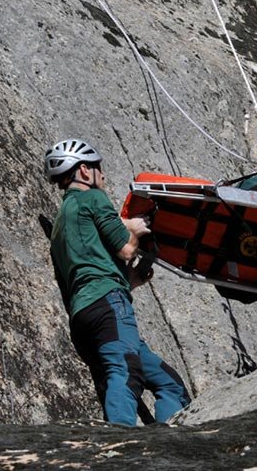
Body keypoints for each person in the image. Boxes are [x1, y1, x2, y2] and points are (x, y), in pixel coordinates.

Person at [44, 138, 191, 425]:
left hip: (84, 317)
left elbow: (85, 271)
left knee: (167, 381)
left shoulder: (61, 223)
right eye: (99, 169)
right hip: (109, 308)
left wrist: (130, 280)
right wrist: (134, 230)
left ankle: (164, 441)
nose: (104, 176)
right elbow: (125, 248)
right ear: (85, 171)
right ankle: (120, 444)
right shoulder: (92, 198)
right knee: (125, 371)